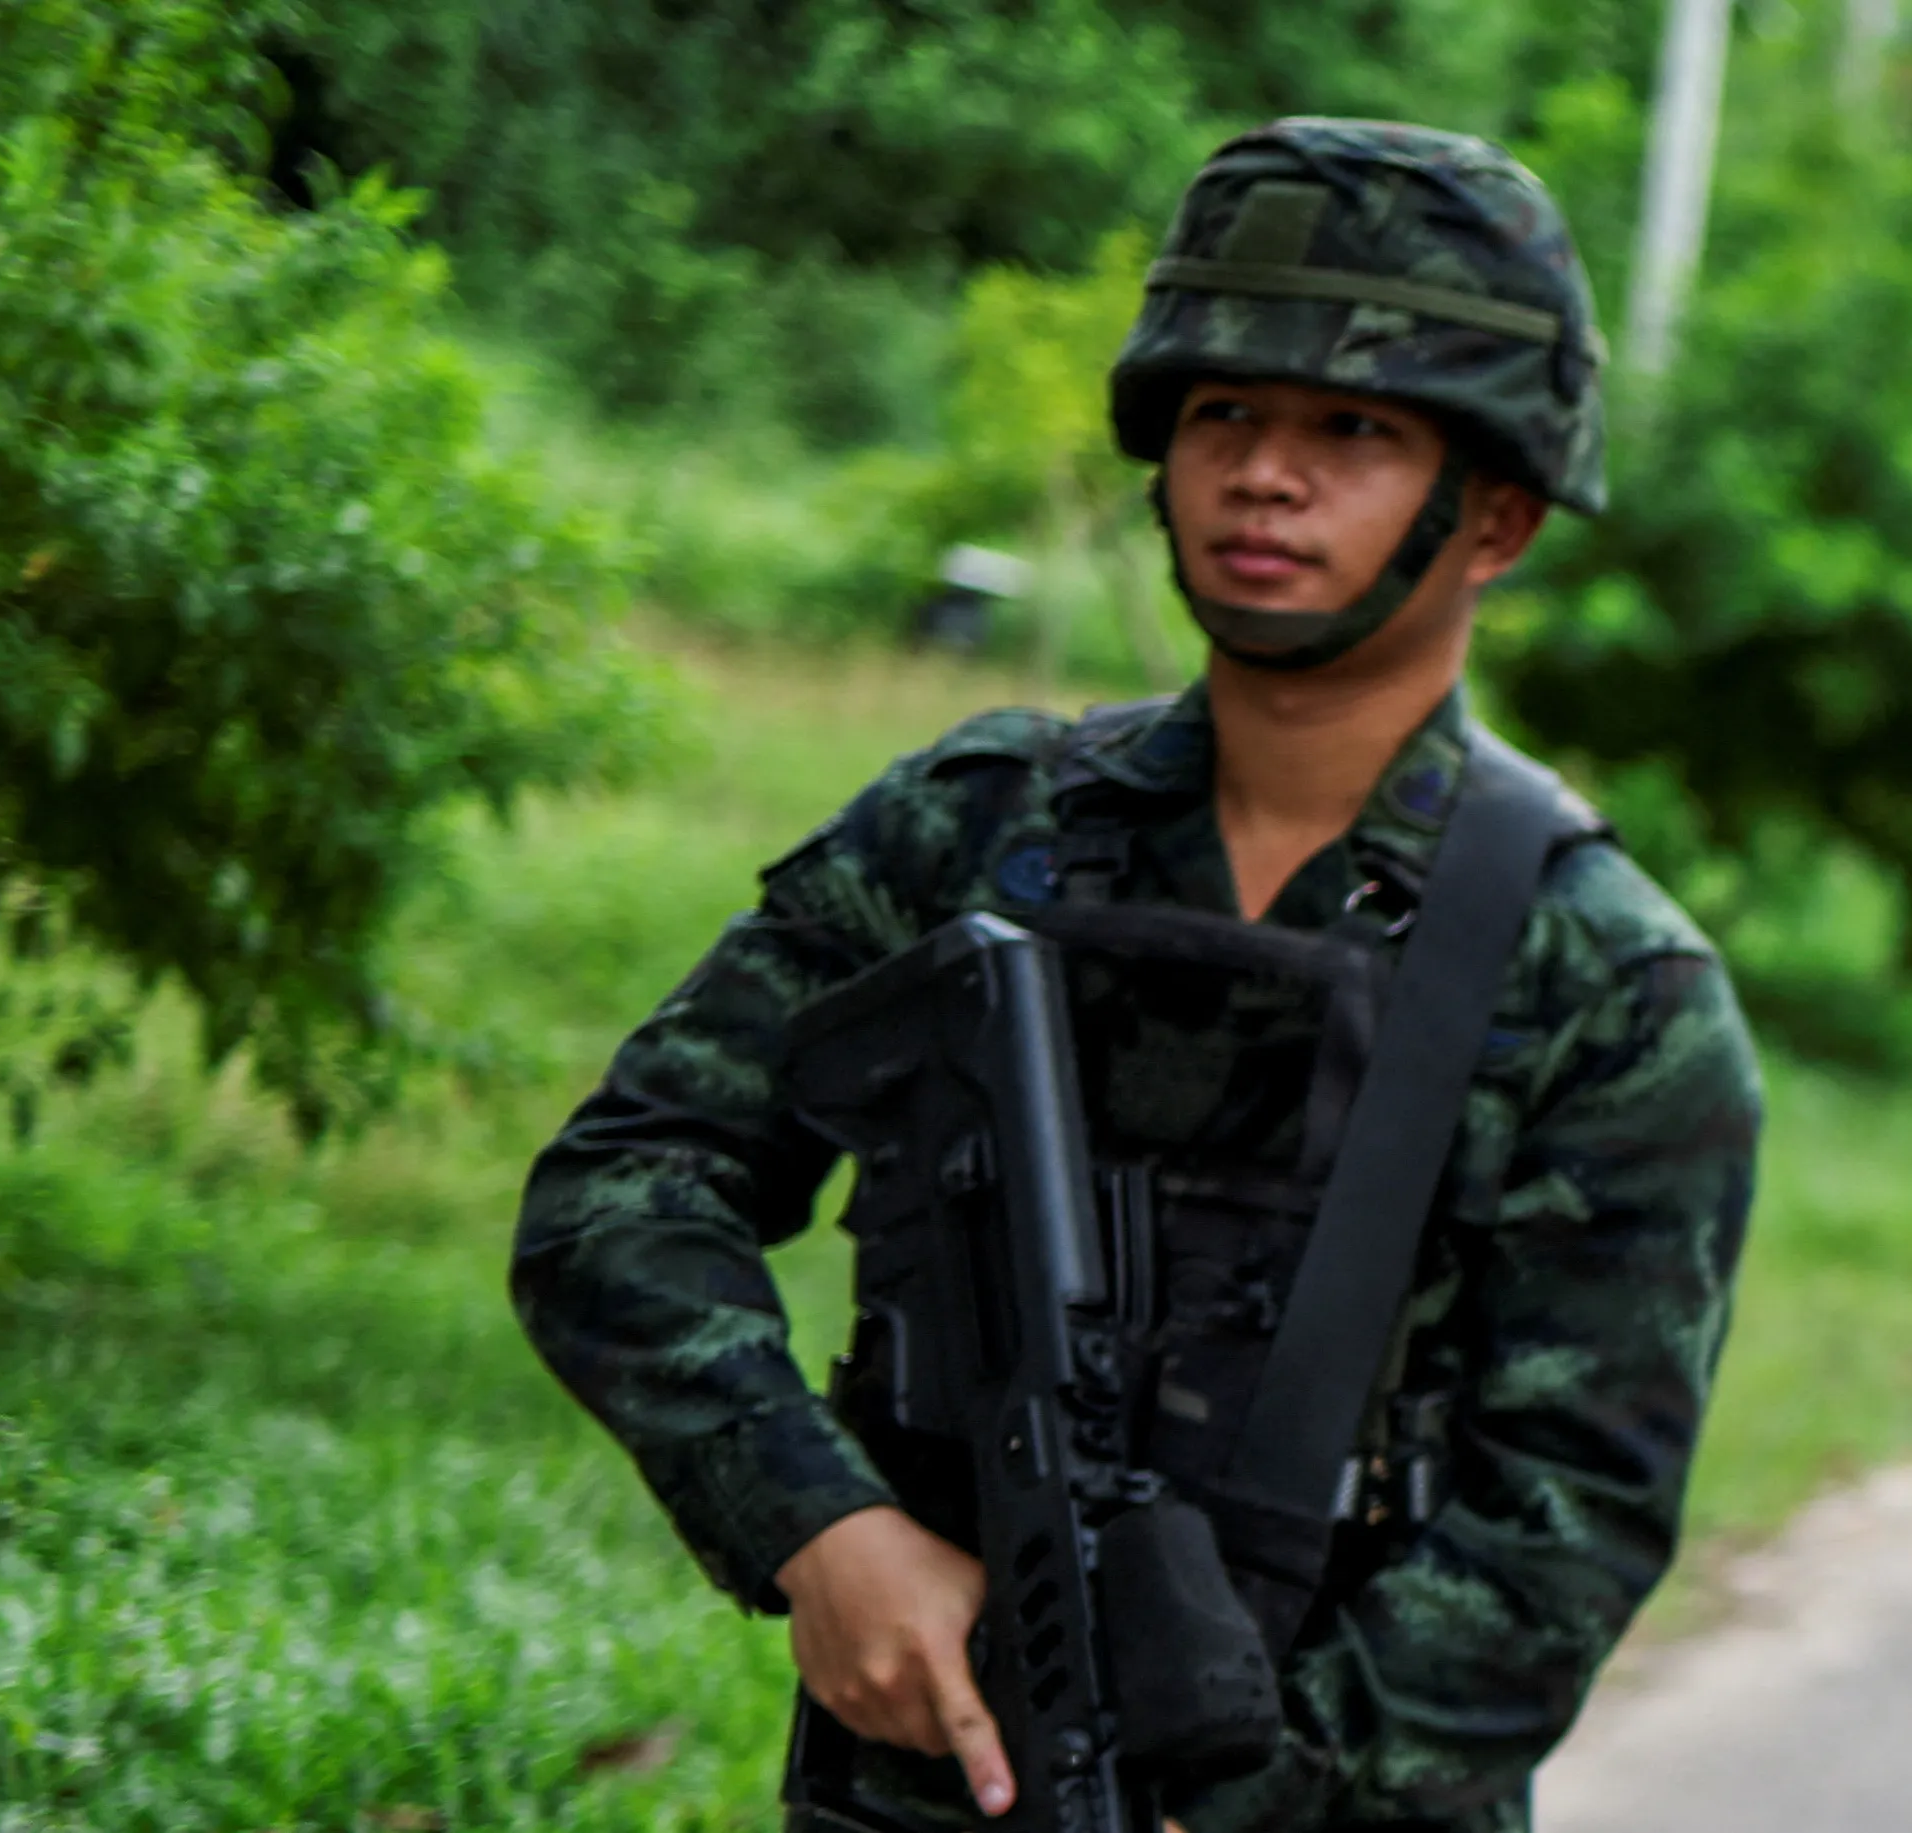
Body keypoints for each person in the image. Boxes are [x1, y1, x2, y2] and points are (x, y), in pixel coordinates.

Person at [514, 119, 1761, 1833]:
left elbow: (1563, 1534)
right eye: (1223, 412)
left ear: (1499, 516)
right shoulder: (971, 830)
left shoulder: (1609, 988)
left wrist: (1247, 1796)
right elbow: (624, 1192)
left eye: (1355, 431)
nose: (1265, 475)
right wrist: (821, 1525)